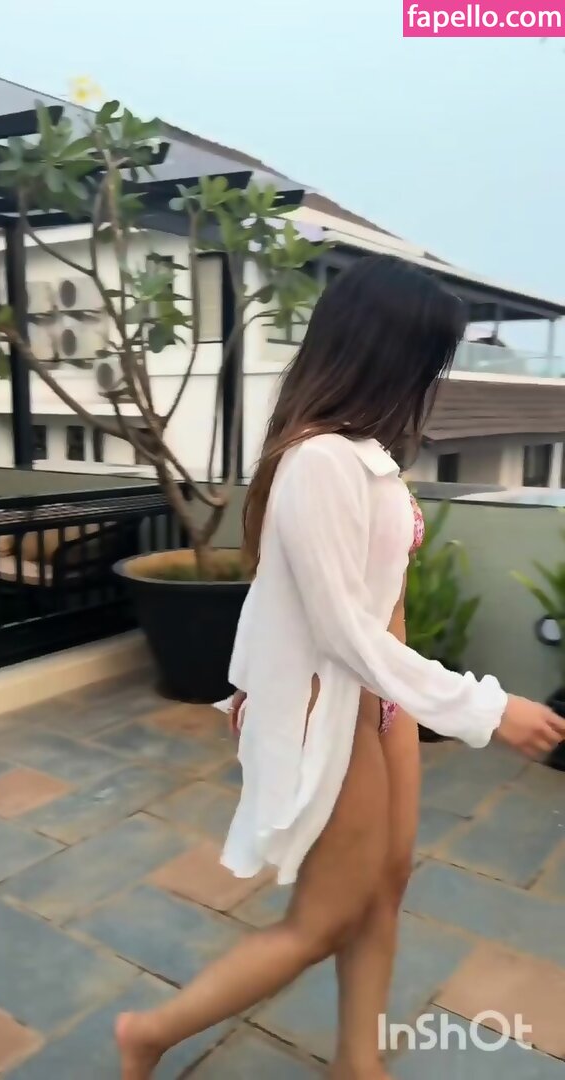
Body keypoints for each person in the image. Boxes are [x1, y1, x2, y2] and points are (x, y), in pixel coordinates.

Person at [116, 255, 565, 1080]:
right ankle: (148, 1033)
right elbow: (340, 629)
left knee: (385, 888)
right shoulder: (317, 461)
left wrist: (412, 703)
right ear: (384, 353)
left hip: (380, 702)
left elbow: (382, 607)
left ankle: (359, 1062)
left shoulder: (363, 456)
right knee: (321, 920)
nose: (430, 380)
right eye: (426, 359)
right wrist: (486, 707)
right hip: (331, 708)